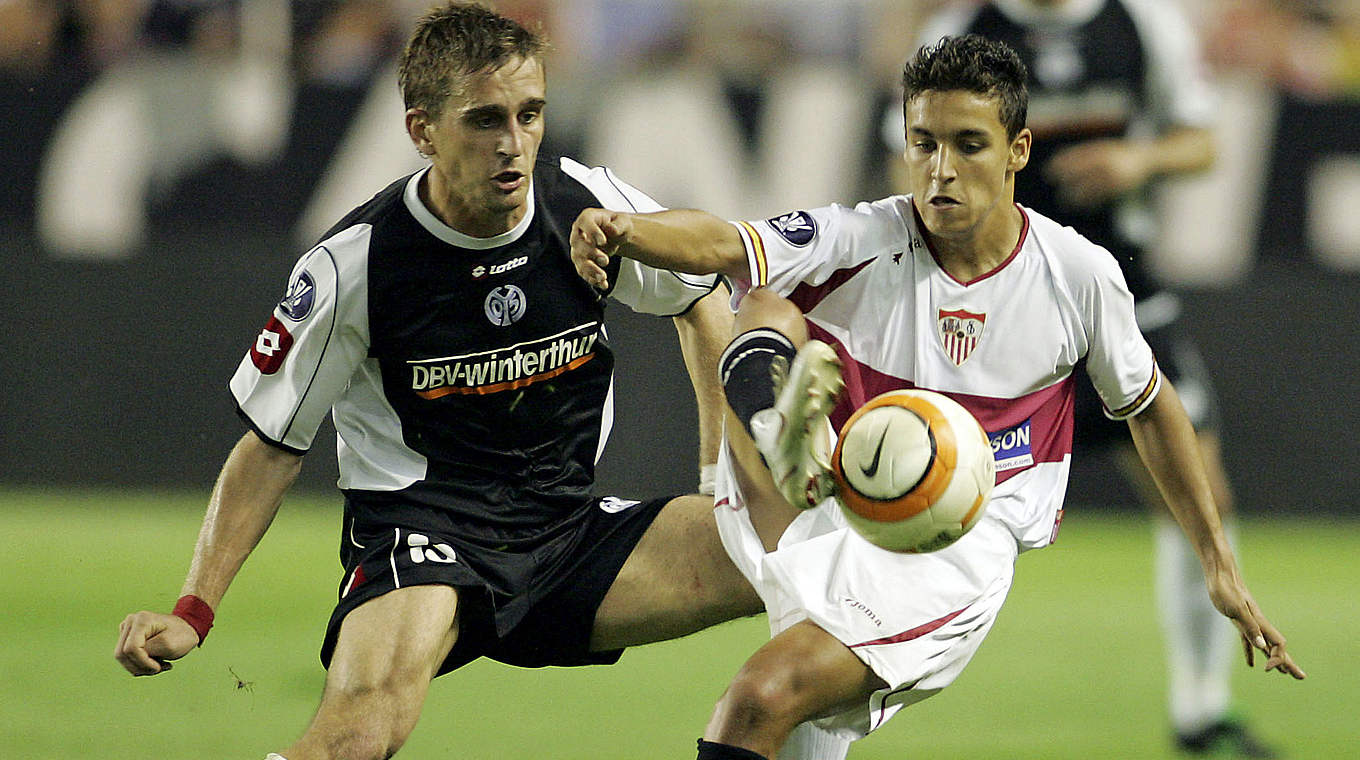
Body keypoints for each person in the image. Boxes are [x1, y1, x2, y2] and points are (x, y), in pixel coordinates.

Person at [571, 34, 1304, 760]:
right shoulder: (864, 236)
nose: (940, 171)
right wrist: (627, 228)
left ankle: (784, 443)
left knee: (761, 698)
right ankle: (779, 436)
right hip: (836, 508)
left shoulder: (1077, 274)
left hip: (955, 544)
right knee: (765, 307)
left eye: (967, 145)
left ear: (1019, 149)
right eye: (923, 143)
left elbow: (1148, 403)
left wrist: (1217, 562)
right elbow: (724, 243)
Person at [113, 4, 761, 759]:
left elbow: (703, 299)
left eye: (529, 114)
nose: (513, 145)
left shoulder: (581, 203)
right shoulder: (355, 265)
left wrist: (726, 486)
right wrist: (194, 609)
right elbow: (270, 448)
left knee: (804, 559)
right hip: (426, 537)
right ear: (422, 131)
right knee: (359, 736)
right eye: (485, 120)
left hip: (567, 531)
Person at [905, 1, 1277, 754]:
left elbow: (1203, 143)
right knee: (932, 490)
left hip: (1121, 291)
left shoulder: (1142, 24)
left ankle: (1201, 711)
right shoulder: (961, 28)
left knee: (1200, 493)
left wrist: (1137, 162)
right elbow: (907, 161)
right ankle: (876, 663)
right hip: (996, 304)